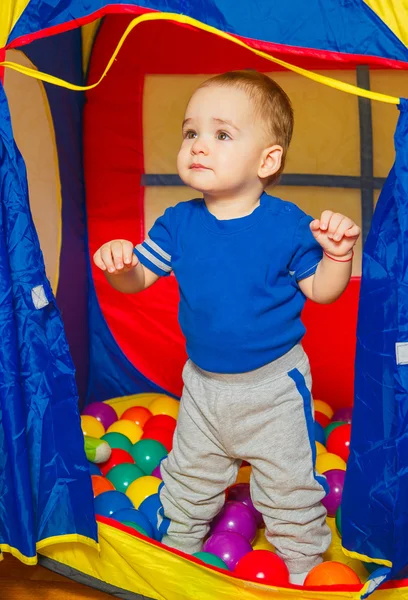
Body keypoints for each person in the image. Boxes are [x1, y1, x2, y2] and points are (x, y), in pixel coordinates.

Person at [93, 71, 360, 584]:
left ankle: (305, 574)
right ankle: (176, 560)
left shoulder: (286, 225)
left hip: (272, 390)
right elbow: (139, 278)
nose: (197, 146)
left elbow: (322, 292)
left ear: (267, 161)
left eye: (221, 134)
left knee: (289, 490)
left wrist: (338, 256)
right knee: (187, 480)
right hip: (203, 388)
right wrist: (121, 264)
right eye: (190, 132)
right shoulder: (177, 221)